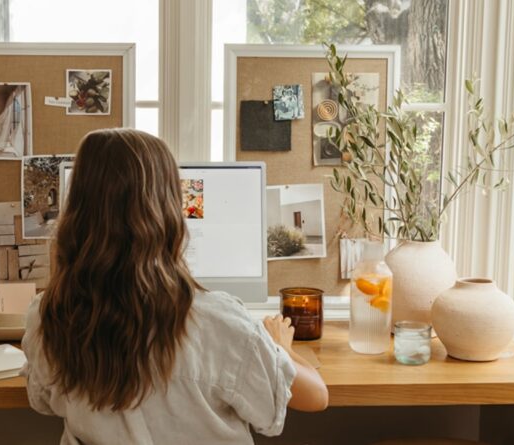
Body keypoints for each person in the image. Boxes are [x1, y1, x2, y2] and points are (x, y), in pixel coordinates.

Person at [21, 128, 328, 444]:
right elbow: (316, 396)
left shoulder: (49, 317)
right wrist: (282, 348)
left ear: (77, 212)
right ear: (168, 213)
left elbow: (43, 401)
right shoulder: (218, 323)